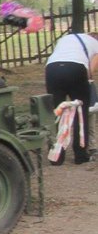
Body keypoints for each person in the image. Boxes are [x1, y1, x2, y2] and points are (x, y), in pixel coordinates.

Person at [45, 32, 98, 165]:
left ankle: (57, 156)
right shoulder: (96, 44)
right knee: (81, 112)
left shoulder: (66, 38)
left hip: (52, 69)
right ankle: (80, 155)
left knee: (57, 112)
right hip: (75, 69)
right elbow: (90, 72)